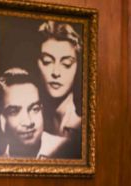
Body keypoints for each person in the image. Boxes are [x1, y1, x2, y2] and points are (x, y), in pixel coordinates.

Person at [35, 20, 83, 158]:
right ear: (37, 63)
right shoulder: (29, 125)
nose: (56, 72)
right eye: (47, 61)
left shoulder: (81, 131)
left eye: (66, 64)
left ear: (77, 67)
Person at [0, 68, 62, 159]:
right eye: (14, 111)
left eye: (35, 109)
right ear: (1, 119)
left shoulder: (66, 151)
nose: (28, 122)